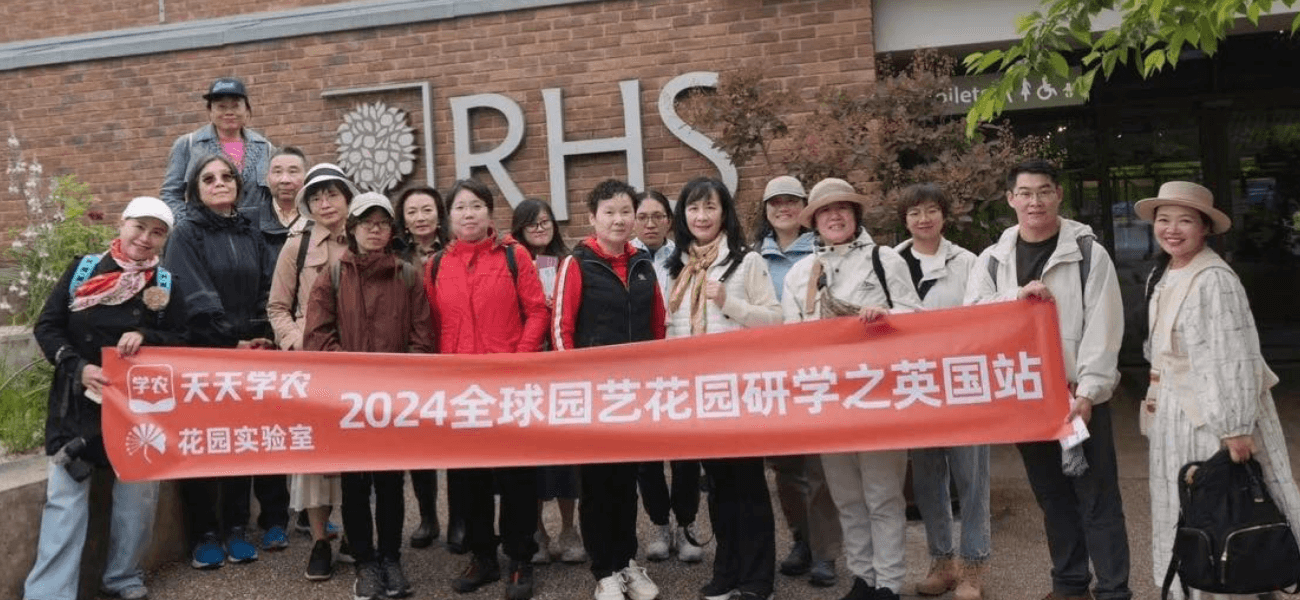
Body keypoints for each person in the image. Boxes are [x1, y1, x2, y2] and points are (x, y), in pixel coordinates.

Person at [964, 159, 1130, 600]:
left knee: (1097, 499)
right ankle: (1070, 586)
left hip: (1078, 398)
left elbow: (1104, 327)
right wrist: (1015, 296)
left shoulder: (1088, 253)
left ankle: (1114, 591)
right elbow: (973, 316)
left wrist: (1090, 392)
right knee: (1053, 497)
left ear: (1058, 195)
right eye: (1025, 193)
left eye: (1043, 191)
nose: (1034, 201)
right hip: (1028, 398)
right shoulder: (993, 259)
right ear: (1010, 199)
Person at [1135, 181, 1300, 600]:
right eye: (1164, 220)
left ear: (1205, 228)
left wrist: (1235, 427)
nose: (1172, 230)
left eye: (1185, 221)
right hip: (1174, 412)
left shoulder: (1214, 279)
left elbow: (1234, 356)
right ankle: (1196, 585)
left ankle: (1234, 584)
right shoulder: (1163, 272)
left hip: (1211, 416)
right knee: (1188, 508)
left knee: (1223, 509)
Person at [23, 197, 185, 600]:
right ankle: (49, 592)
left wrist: (146, 336)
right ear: (122, 223)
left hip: (138, 409)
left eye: (157, 232)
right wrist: (77, 366)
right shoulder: (83, 269)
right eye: (139, 227)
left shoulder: (165, 284)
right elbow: (48, 326)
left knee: (137, 498)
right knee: (65, 500)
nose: (145, 238)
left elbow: (182, 339)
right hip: (77, 402)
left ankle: (124, 578)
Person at [781, 178, 923, 600]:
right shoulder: (800, 273)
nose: (835, 216)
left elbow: (917, 317)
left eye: (842, 208)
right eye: (825, 211)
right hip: (828, 398)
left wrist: (888, 318)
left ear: (856, 214)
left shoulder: (885, 260)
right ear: (814, 221)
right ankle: (862, 578)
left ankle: (888, 583)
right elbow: (790, 336)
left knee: (883, 496)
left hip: (879, 394)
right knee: (846, 497)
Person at [304, 192, 435, 600]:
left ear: (391, 230)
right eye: (366, 222)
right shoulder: (332, 276)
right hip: (349, 400)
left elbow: (422, 336)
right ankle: (365, 562)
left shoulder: (408, 276)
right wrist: (354, 375)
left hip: (395, 399)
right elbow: (317, 336)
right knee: (355, 484)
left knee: (391, 482)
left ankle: (391, 558)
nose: (374, 230)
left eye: (382, 223)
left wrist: (400, 378)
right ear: (353, 229)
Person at [663, 177, 782, 600]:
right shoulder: (676, 268)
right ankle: (727, 570)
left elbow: (775, 320)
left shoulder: (747, 262)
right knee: (717, 485)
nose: (702, 216)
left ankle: (757, 579)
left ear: (724, 213)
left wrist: (728, 301)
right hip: (697, 395)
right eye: (693, 208)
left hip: (739, 391)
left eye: (710, 207)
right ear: (683, 216)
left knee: (748, 484)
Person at [431, 179, 549, 600]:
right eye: (460, 207)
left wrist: (517, 360)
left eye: (477, 205)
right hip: (462, 391)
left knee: (517, 477)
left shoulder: (515, 256)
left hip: (509, 384)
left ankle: (519, 558)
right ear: (449, 217)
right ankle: (483, 556)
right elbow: (434, 324)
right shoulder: (437, 265)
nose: (469, 214)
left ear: (489, 212)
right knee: (470, 480)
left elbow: (537, 311)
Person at [162, 154, 279, 570]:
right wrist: (232, 340)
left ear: (238, 184)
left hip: (248, 358)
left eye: (226, 176)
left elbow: (267, 286)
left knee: (239, 441)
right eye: (208, 178)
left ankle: (236, 528)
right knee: (202, 445)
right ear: (195, 189)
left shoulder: (251, 231)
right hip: (203, 357)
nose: (219, 183)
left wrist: (261, 335)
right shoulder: (185, 234)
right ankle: (205, 534)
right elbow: (193, 297)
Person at [553, 179, 667, 600]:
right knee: (597, 484)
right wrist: (575, 388)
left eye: (625, 212)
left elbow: (658, 325)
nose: (619, 220)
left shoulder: (643, 264)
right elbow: (561, 330)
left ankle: (626, 561)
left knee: (626, 480)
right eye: (609, 212)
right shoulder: (577, 263)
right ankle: (604, 570)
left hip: (634, 394)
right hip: (594, 396)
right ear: (592, 218)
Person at [892, 184, 986, 600]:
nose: (923, 219)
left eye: (931, 210)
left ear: (944, 216)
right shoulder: (890, 262)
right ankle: (942, 562)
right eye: (914, 213)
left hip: (962, 382)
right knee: (929, 480)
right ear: (905, 220)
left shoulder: (968, 262)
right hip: (917, 385)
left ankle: (974, 568)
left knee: (972, 479)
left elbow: (984, 315)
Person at [266, 163, 359, 579]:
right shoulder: (297, 245)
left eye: (332, 195)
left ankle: (357, 533)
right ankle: (321, 541)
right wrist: (295, 342)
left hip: (358, 365)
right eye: (317, 197)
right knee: (316, 454)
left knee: (358, 452)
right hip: (312, 366)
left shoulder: (367, 237)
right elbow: (277, 307)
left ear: (347, 198)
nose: (325, 203)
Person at [752, 175, 838, 588]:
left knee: (819, 469)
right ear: (765, 210)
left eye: (791, 201)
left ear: (805, 208)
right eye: (775, 202)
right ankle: (801, 539)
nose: (783, 208)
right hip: (771, 376)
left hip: (817, 373)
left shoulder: (825, 250)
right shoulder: (754, 257)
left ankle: (825, 551)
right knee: (785, 469)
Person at [510, 197, 587, 565]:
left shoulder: (569, 262)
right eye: (531, 223)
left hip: (561, 373)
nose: (539, 228)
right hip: (526, 373)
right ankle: (538, 531)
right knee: (532, 460)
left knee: (566, 458)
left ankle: (570, 529)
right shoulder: (512, 263)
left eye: (544, 221)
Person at [630, 188, 704, 564]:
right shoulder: (625, 259)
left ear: (669, 221)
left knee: (685, 454)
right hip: (640, 371)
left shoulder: (686, 259)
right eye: (642, 217)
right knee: (647, 458)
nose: (650, 224)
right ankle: (660, 524)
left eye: (658, 216)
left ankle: (686, 525)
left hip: (680, 367)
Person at [392, 184, 447, 551]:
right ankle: (428, 517)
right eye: (412, 212)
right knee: (418, 441)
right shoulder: (396, 256)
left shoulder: (455, 249)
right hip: (412, 354)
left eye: (427, 209)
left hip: (451, 352)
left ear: (439, 214)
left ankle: (462, 518)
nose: (420, 217)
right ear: (404, 220)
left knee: (458, 439)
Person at [160, 77, 274, 221]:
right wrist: (190, 225)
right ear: (210, 111)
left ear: (247, 109)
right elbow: (170, 195)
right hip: (205, 232)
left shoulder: (265, 148)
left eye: (235, 106)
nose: (229, 112)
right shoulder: (188, 145)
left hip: (255, 232)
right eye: (221, 107)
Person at [241, 146, 309, 255]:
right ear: (267, 178)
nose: (284, 180)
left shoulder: (318, 218)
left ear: (307, 177)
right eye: (278, 172)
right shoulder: (248, 222)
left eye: (293, 172)